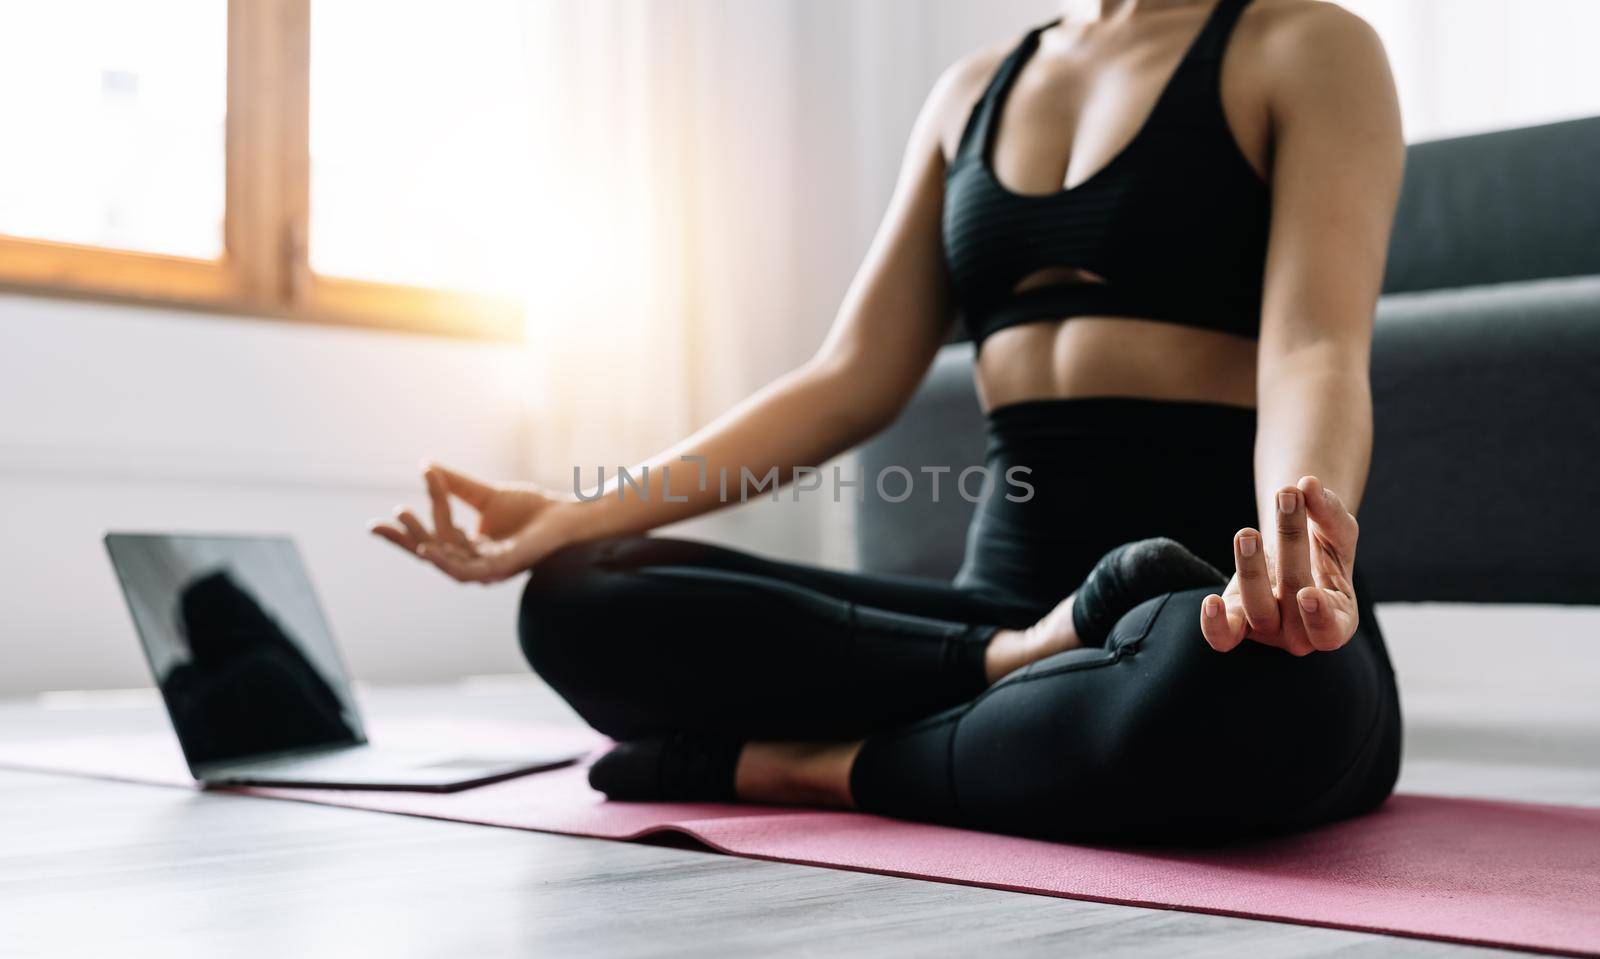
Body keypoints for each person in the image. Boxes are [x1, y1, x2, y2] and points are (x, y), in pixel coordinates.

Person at [372, 0, 1404, 845]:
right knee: (578, 593)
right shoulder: (973, 89)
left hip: (1206, 609)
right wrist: (581, 508)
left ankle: (809, 764)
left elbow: (1314, 345)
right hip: (993, 617)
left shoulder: (1306, 46)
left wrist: (1299, 543)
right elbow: (849, 375)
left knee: (1226, 692)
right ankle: (1002, 674)